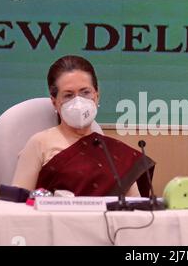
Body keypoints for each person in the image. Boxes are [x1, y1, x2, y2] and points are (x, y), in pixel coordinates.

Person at [12, 55, 153, 197]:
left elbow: (134, 209)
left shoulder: (116, 154)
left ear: (97, 96)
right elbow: (18, 203)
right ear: (54, 102)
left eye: (85, 92)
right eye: (68, 95)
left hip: (105, 219)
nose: (78, 101)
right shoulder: (39, 144)